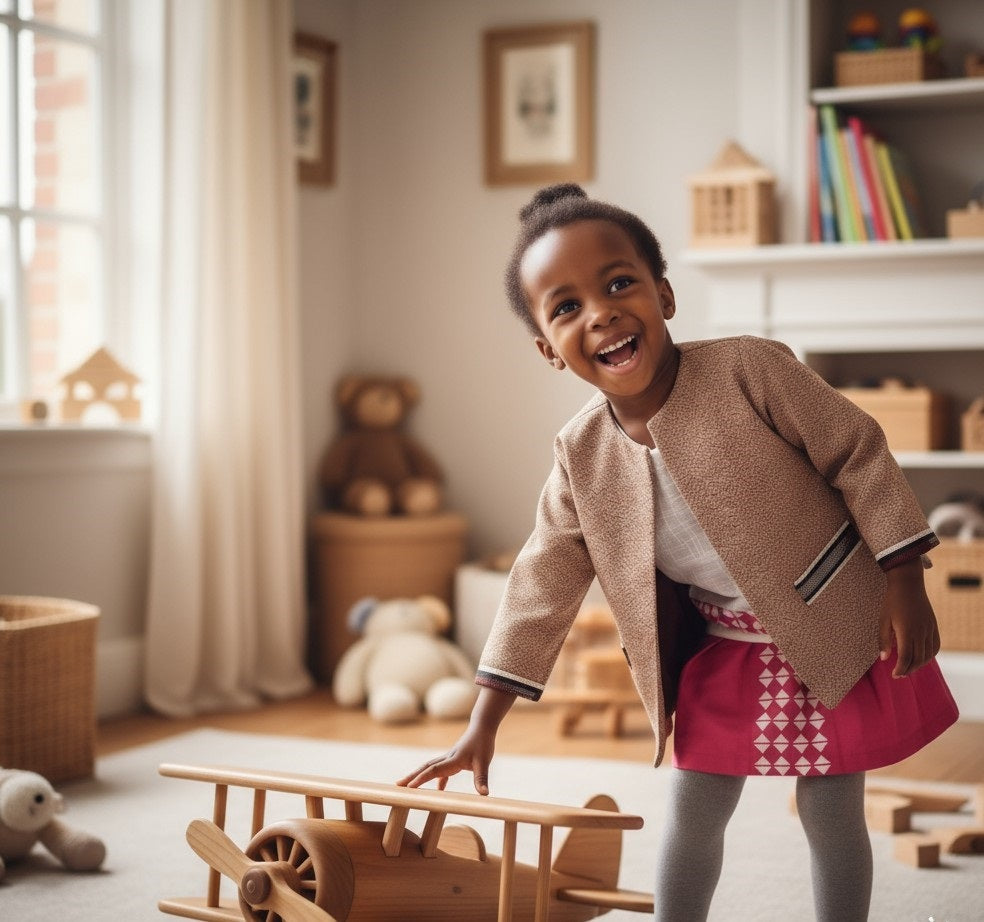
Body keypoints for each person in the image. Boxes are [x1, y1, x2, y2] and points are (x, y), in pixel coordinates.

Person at [397, 183, 959, 921]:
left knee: (830, 811)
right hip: (726, 647)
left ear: (663, 294)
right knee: (694, 810)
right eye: (565, 308)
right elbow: (540, 585)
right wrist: (483, 722)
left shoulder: (749, 371)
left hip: (831, 629)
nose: (598, 313)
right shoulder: (580, 456)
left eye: (619, 283)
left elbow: (859, 452)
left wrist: (905, 581)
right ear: (548, 350)